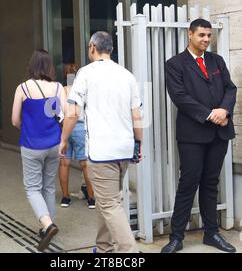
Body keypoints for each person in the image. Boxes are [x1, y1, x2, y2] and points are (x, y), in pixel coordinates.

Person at [59, 31, 143, 253]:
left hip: (102, 152)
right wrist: (138, 145)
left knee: (109, 204)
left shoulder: (85, 74)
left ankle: (130, 253)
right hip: (124, 149)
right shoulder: (127, 75)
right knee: (108, 201)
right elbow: (137, 116)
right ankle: (103, 247)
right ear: (111, 50)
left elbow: (72, 113)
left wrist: (63, 139)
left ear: (91, 47)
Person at [161, 19, 237, 253]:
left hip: (219, 132)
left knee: (211, 183)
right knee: (188, 182)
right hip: (193, 134)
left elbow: (230, 89)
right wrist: (209, 115)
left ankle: (211, 234)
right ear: (190, 34)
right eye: (201, 35)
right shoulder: (175, 64)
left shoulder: (217, 61)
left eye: (208, 36)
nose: (206, 39)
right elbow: (180, 96)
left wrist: (224, 110)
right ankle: (176, 237)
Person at [11, 50, 66, 252]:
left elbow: (15, 120)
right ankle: (46, 229)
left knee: (33, 188)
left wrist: (27, 126)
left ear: (32, 65)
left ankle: (48, 225)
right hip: (54, 144)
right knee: (49, 186)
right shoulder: (59, 87)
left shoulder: (23, 88)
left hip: (31, 145)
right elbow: (64, 116)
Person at [59, 64, 95, 209]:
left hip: (66, 126)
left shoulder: (62, 90)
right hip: (80, 127)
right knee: (85, 164)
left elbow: (57, 110)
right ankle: (91, 199)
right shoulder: (84, 90)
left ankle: (65, 198)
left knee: (64, 163)